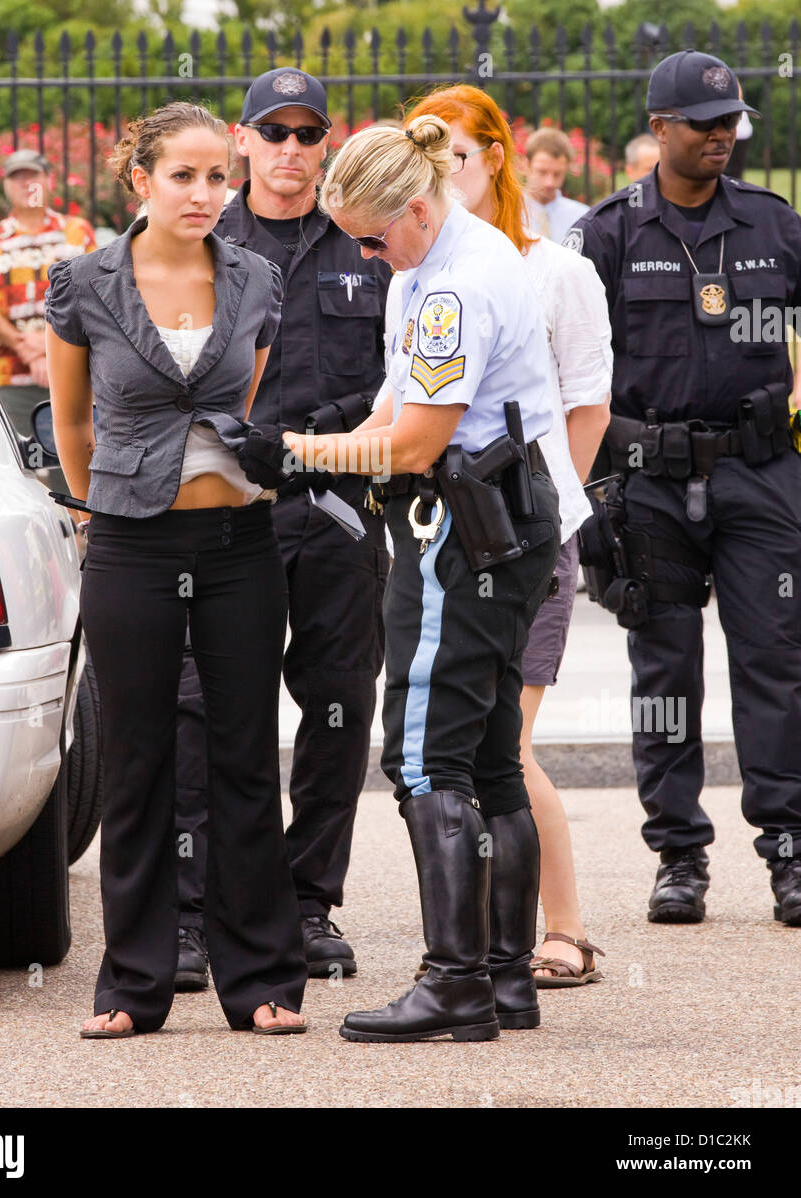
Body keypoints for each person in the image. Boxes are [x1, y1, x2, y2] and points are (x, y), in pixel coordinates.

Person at [247, 114, 561, 1043]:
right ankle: (502, 978)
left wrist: (295, 453)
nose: (369, 256)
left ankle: (455, 983)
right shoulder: (448, 255)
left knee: (427, 755)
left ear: (417, 207)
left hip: (462, 521)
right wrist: (315, 444)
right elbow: (395, 398)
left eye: (376, 239)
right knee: (493, 753)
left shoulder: (453, 286)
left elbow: (417, 439)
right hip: (502, 511)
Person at [44, 101, 308, 1038]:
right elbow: (73, 423)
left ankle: (265, 979)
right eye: (183, 176)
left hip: (240, 542)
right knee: (138, 757)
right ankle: (132, 984)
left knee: (243, 756)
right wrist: (103, 514)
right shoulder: (84, 282)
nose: (205, 194)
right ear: (139, 181)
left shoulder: (256, 278)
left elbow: (239, 403)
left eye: (215, 177)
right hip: (130, 544)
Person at [565, 49, 801, 929]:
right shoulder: (607, 234)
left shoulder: (775, 226)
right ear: (658, 128)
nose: (720, 137)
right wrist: (591, 489)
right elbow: (571, 373)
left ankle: (789, 850)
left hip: (761, 473)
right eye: (702, 124)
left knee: (776, 666)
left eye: (730, 122)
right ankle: (678, 854)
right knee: (663, 669)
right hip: (648, 484)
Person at [172, 68, 392, 990]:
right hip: (225, 508)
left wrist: (311, 438)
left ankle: (309, 903)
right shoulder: (198, 240)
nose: (293, 151)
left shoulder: (367, 241)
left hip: (337, 508)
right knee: (204, 708)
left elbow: (401, 371)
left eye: (309, 134)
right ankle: (192, 914)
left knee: (338, 708)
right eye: (275, 132)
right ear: (243, 137)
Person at [404, 85, 613, 998]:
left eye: (453, 151)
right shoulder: (424, 265)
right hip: (446, 535)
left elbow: (588, 405)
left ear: (495, 156)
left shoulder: (554, 270)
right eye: (426, 153)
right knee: (487, 744)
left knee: (506, 747)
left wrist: (528, 510)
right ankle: (495, 957)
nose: (439, 169)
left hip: (525, 534)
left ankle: (555, 931)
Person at [0, 149, 95, 444]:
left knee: (75, 471)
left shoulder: (77, 232)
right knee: (18, 471)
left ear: (48, 180)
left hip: (74, 370)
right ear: (6, 186)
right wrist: (27, 347)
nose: (26, 184)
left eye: (33, 176)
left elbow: (93, 294)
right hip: (10, 376)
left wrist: (50, 347)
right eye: (17, 177)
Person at [523, 127, 588, 243]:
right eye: (542, 172)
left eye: (557, 174)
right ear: (527, 165)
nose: (550, 183)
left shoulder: (582, 216)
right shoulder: (506, 214)